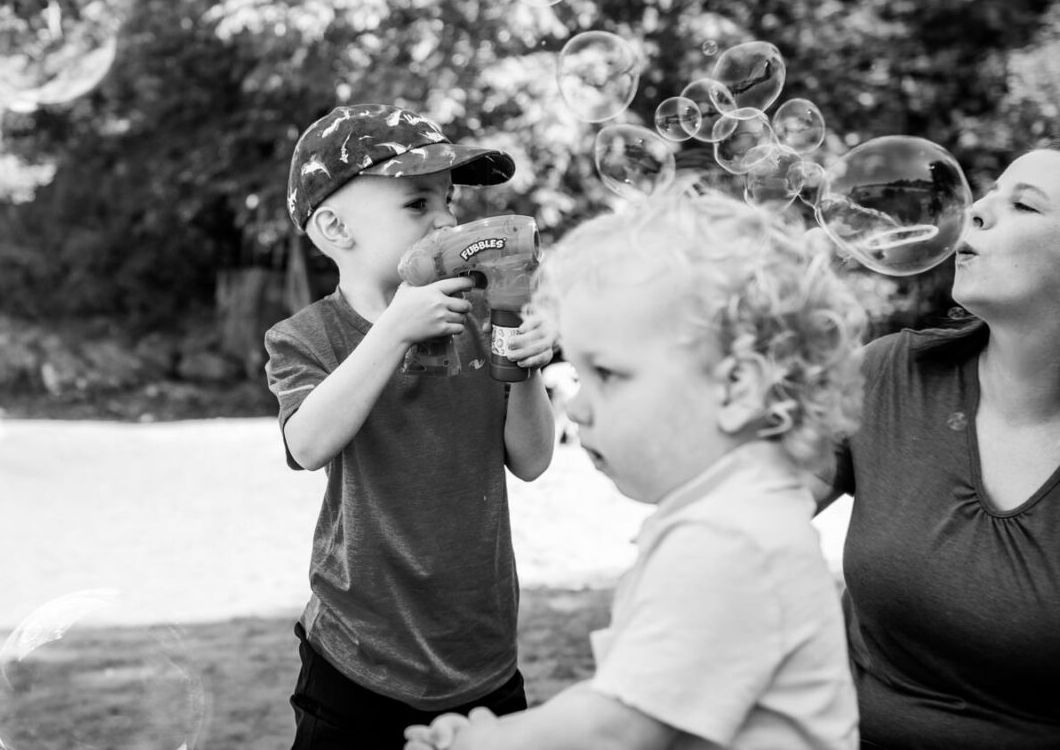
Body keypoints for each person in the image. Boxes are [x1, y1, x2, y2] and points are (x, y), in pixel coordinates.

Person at [405, 184, 865, 750]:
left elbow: (617, 727)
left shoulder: (730, 542)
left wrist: (493, 743)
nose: (575, 403)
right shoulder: (741, 517)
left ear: (737, 387)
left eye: (609, 374)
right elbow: (627, 698)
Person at [264, 103, 560, 749]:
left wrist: (526, 361)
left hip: (482, 655)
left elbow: (533, 460)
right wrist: (395, 328)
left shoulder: (482, 317)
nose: (446, 219)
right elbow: (307, 444)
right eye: (416, 205)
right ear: (335, 227)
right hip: (357, 661)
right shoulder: (305, 337)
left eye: (447, 200)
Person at [817, 147, 1060, 748]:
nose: (976, 210)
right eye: (991, 192)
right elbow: (745, 499)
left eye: (1024, 204)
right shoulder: (890, 374)